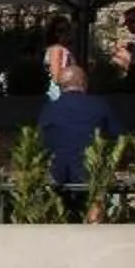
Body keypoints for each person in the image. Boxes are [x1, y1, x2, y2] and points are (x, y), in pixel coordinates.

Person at [40, 63, 115, 194]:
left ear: (61, 87)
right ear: (84, 83)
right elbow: (118, 138)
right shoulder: (100, 106)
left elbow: (40, 143)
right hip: (93, 178)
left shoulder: (48, 110)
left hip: (57, 180)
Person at [41, 17, 77, 101]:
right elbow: (56, 78)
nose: (66, 33)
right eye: (61, 30)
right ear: (54, 33)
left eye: (68, 29)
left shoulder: (61, 49)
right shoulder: (56, 50)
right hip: (59, 96)